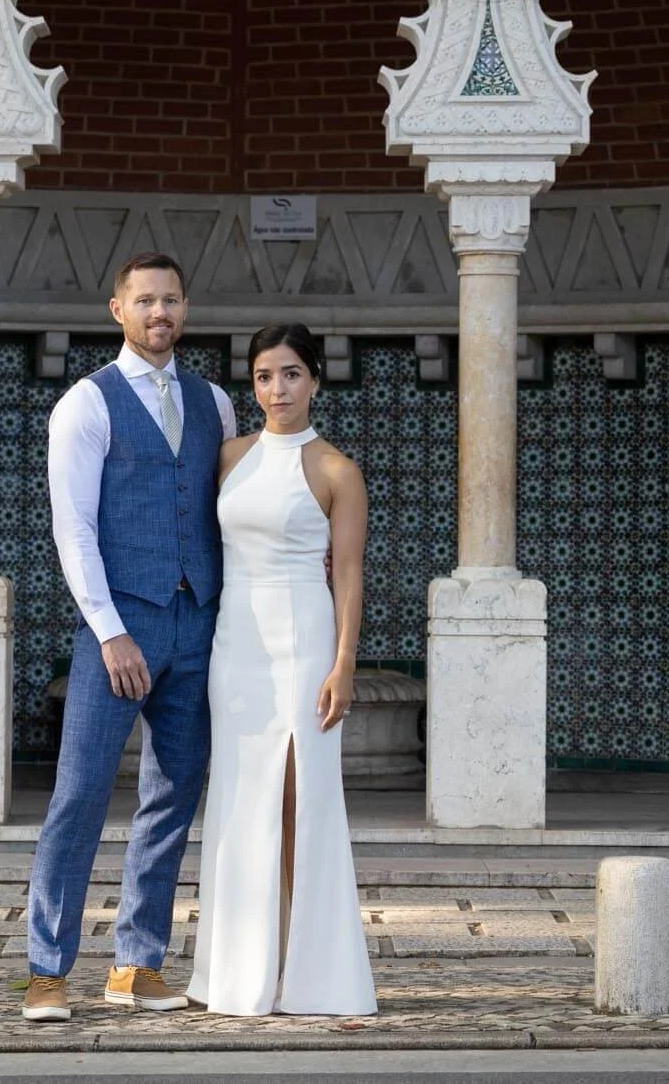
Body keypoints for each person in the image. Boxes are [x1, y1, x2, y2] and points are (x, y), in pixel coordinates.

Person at [23, 251, 237, 1022]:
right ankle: (48, 969)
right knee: (79, 793)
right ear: (117, 307)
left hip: (198, 622)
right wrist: (109, 630)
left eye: (171, 300)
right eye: (144, 300)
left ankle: (136, 962)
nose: (160, 313)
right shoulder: (86, 403)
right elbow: (73, 527)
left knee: (173, 793)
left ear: (186, 307)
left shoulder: (217, 401)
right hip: (119, 625)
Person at [188, 322, 376, 1016]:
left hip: (305, 635)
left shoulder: (337, 470)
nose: (278, 388)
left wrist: (344, 661)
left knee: (300, 801)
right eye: (266, 375)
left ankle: (310, 972)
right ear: (253, 383)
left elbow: (349, 572)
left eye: (292, 373)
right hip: (235, 643)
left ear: (316, 379)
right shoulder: (229, 456)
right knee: (240, 800)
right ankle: (238, 973)